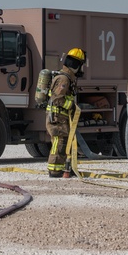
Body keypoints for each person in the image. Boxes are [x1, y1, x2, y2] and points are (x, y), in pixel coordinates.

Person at [46, 48, 85, 178]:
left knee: (65, 142)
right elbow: (57, 98)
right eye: (80, 65)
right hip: (58, 117)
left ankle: (64, 168)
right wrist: (71, 106)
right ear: (75, 65)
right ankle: (54, 170)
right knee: (59, 142)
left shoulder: (67, 78)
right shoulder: (64, 79)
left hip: (62, 117)